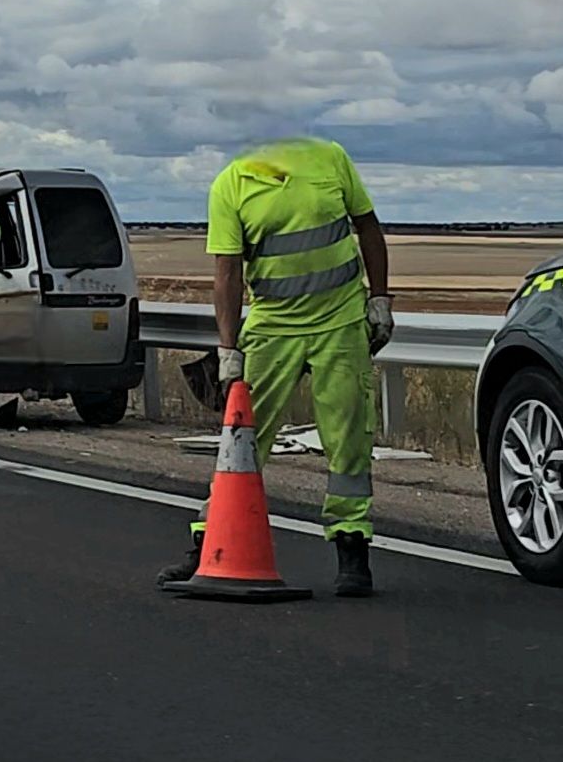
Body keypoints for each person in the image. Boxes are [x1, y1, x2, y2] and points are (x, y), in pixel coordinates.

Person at [157, 136, 395, 597]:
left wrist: (380, 298)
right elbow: (228, 272)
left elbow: (368, 227)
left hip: (340, 320)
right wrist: (229, 349)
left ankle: (352, 548)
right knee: (242, 440)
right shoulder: (230, 184)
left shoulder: (330, 157)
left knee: (348, 436)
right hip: (273, 326)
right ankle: (209, 545)